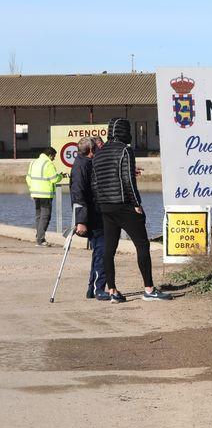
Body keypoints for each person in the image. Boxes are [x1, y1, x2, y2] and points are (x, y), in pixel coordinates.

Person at [92, 118, 171, 302]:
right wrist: (136, 204)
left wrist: (102, 204)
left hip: (106, 207)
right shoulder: (125, 151)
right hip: (124, 205)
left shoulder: (99, 154)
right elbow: (128, 180)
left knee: (109, 250)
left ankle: (112, 291)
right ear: (124, 132)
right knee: (142, 245)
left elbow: (95, 184)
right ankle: (149, 290)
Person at [70, 136, 108, 299]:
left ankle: (93, 287)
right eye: (97, 147)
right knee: (102, 250)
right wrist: (81, 221)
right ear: (91, 150)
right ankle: (97, 288)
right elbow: (78, 195)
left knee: (100, 250)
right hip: (91, 217)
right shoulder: (81, 166)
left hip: (96, 214)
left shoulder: (86, 163)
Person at [26, 147, 66, 247]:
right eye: (54, 156)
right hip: (45, 194)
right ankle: (41, 240)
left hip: (35, 194)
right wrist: (61, 176)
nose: (54, 159)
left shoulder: (33, 162)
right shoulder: (48, 164)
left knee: (39, 216)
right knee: (45, 217)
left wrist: (32, 189)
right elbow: (53, 179)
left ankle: (39, 236)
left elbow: (28, 178)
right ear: (50, 155)